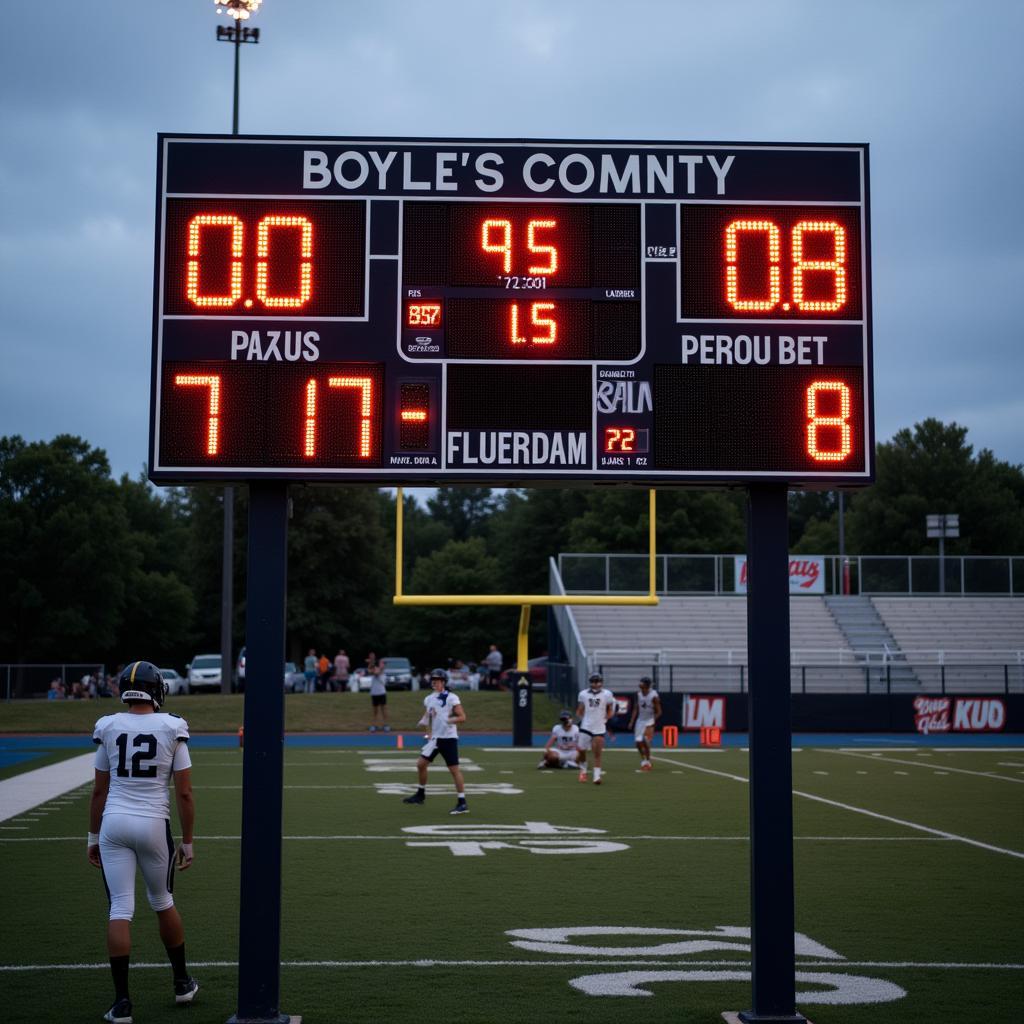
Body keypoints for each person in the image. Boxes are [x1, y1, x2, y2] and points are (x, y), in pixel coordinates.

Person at [88, 660, 198, 1023]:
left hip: (114, 823)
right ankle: (182, 983)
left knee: (120, 907)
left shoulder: (108, 726)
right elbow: (184, 793)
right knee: (163, 901)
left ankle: (122, 1004)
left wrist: (92, 837)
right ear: (156, 689)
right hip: (153, 823)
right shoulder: (172, 726)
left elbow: (99, 790)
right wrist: (188, 841)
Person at [403, 668, 468, 814]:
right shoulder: (429, 698)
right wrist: (427, 731)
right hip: (436, 739)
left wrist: (450, 720)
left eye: (437, 680)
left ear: (444, 682)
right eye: (433, 680)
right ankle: (420, 795)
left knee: (454, 770)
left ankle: (462, 802)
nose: (434, 683)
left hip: (448, 739)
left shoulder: (452, 697)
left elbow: (463, 717)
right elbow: (428, 717)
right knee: (421, 765)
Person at [575, 672, 616, 785]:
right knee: (582, 750)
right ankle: (583, 771)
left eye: (598, 681)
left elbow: (610, 709)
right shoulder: (583, 694)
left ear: (601, 682)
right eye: (593, 681)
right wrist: (583, 719)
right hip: (586, 726)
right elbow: (579, 710)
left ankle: (596, 776)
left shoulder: (607, 694)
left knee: (597, 752)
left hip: (599, 727)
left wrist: (607, 717)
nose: (595, 684)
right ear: (590, 682)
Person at [628, 676, 662, 771]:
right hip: (640, 720)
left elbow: (659, 711)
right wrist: (632, 721)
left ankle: (648, 761)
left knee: (645, 740)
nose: (640, 685)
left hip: (649, 720)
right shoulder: (638, 695)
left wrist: (653, 720)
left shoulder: (654, 696)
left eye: (642, 683)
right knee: (638, 742)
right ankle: (644, 760)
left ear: (647, 685)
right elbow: (636, 708)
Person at [368, 662, 390, 732]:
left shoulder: (383, 672)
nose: (382, 665)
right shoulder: (374, 670)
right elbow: (370, 671)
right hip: (374, 693)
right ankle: (374, 725)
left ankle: (386, 725)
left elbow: (377, 673)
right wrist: (371, 665)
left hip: (382, 693)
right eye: (381, 664)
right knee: (375, 711)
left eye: (383, 664)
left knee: (384, 710)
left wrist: (373, 669)